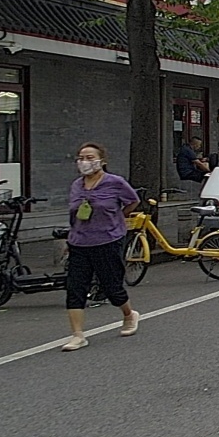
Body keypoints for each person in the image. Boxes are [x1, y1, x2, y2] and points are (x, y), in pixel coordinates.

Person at [61, 143, 140, 352]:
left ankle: (129, 314)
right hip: (79, 242)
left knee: (111, 287)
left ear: (101, 161)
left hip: (107, 240)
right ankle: (77, 335)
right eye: (81, 158)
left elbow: (132, 201)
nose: (84, 162)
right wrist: (70, 240)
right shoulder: (76, 185)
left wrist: (118, 217)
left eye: (89, 157)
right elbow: (74, 214)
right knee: (75, 288)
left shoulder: (115, 182)